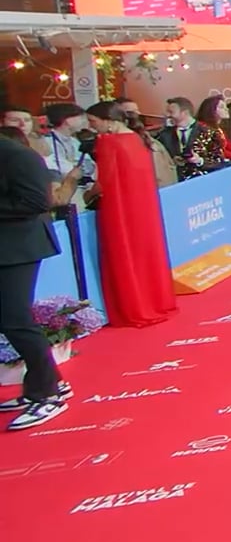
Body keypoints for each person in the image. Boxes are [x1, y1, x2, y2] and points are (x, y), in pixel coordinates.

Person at [82, 102, 176, 328]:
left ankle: (134, 305)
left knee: (125, 252)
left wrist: (87, 194)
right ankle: (154, 299)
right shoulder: (137, 138)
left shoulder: (108, 142)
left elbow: (104, 181)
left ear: (107, 120)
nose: (92, 127)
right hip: (143, 207)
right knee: (145, 252)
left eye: (93, 122)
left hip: (120, 208)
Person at [0, 127, 68, 430]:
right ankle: (48, 381)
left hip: (19, 247)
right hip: (9, 246)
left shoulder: (18, 155)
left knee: (15, 319)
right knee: (10, 319)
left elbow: (35, 202)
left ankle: (47, 394)